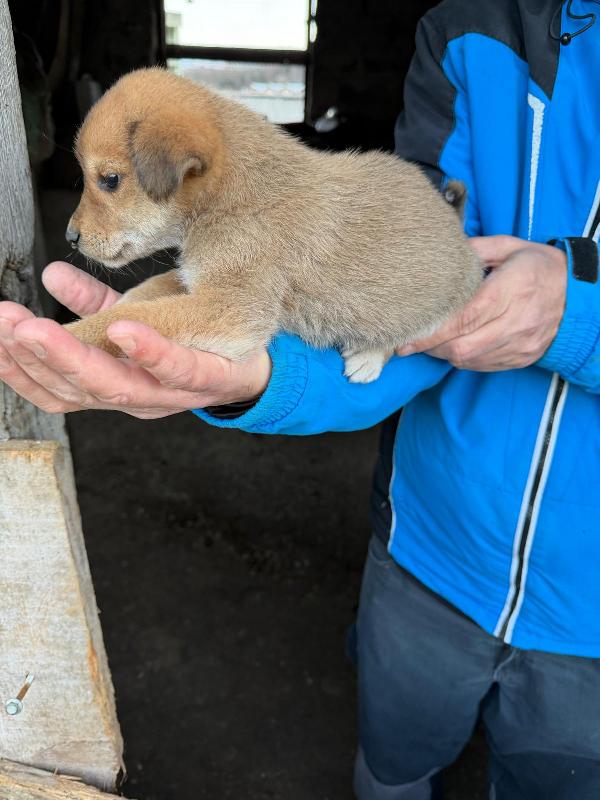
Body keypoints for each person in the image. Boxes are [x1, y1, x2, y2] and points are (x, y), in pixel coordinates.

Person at [1, 0, 599, 797]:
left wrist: (579, 320)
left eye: (108, 183)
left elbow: (230, 312)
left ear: (185, 167)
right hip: (428, 548)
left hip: (584, 616)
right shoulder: (465, 26)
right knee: (393, 755)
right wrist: (258, 378)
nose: (81, 223)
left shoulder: (248, 213)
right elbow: (226, 294)